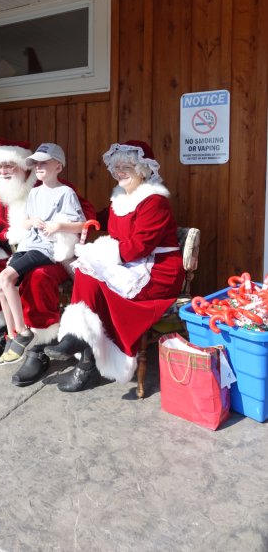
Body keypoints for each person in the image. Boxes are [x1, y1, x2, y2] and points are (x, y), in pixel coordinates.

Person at [0, 138, 96, 385]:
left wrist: (58, 228)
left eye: (10, 165)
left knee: (37, 278)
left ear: (24, 166)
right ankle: (3, 333)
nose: (4, 171)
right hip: (9, 253)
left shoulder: (51, 185)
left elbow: (85, 215)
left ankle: (39, 347)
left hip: (50, 255)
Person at [45, 140, 184, 392]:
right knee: (87, 275)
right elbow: (98, 218)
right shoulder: (121, 198)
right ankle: (79, 341)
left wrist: (100, 253)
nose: (120, 171)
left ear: (142, 169)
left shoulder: (154, 202)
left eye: (127, 166)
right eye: (116, 166)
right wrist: (74, 221)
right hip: (129, 264)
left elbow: (138, 247)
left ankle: (83, 357)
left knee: (91, 275)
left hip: (157, 270)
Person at [0, 144, 85, 364]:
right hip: (28, 244)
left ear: (59, 166)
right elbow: (23, 222)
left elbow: (81, 224)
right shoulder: (34, 192)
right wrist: (30, 222)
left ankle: (23, 332)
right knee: (2, 285)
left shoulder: (66, 192)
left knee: (6, 278)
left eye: (44, 162)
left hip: (45, 249)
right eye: (36, 163)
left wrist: (59, 226)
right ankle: (14, 335)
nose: (39, 167)